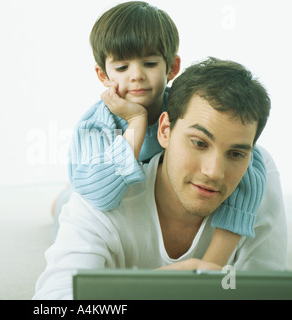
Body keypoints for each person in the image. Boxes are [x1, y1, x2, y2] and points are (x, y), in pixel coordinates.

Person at [34, 57, 288, 300]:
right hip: (109, 187)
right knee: (68, 205)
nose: (214, 172)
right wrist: (154, 290)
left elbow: (267, 290)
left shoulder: (256, 175)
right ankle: (63, 196)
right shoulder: (100, 192)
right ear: (165, 130)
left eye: (235, 153)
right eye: (199, 143)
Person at [51, 1, 266, 268]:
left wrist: (211, 264)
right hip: (92, 194)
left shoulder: (184, 109)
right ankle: (59, 198)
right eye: (121, 68)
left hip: (157, 202)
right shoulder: (95, 126)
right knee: (66, 210)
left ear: (172, 67)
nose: (137, 76)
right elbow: (97, 196)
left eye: (150, 63)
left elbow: (250, 166)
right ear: (102, 74)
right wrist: (136, 123)